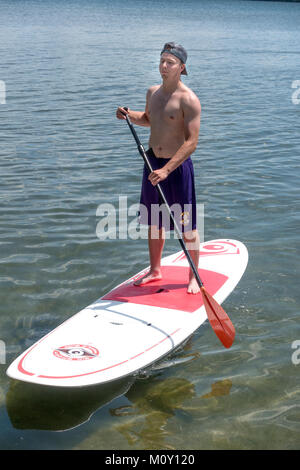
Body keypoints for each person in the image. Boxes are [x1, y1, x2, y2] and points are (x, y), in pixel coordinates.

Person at [116, 42, 201, 294]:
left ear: (181, 67)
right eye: (162, 60)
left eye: (170, 62)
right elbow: (149, 120)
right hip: (152, 163)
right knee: (155, 223)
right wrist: (129, 114)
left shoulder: (189, 100)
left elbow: (191, 142)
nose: (164, 66)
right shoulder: (152, 93)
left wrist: (167, 170)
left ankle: (194, 276)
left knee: (187, 227)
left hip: (176, 168)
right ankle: (155, 270)